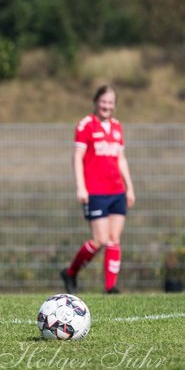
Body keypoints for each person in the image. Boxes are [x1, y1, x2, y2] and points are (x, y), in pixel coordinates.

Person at [60, 85, 135, 295]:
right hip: (96, 191)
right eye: (103, 101)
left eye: (111, 102)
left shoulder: (117, 127)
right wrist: (81, 186)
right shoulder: (86, 125)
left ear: (115, 105)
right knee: (100, 240)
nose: (107, 106)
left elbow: (120, 158)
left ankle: (110, 288)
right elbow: (77, 157)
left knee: (114, 239)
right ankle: (71, 272)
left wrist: (129, 187)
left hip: (117, 191)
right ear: (96, 102)